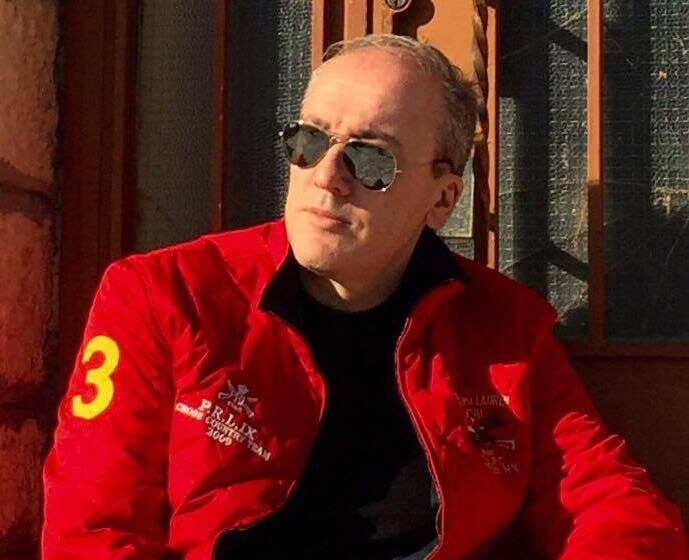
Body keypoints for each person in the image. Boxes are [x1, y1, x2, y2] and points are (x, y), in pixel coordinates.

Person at [42, 34, 687, 559]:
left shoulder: (503, 330)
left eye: (372, 159)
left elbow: (607, 500)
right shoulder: (166, 296)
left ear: (442, 199)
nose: (326, 176)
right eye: (308, 141)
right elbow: (92, 530)